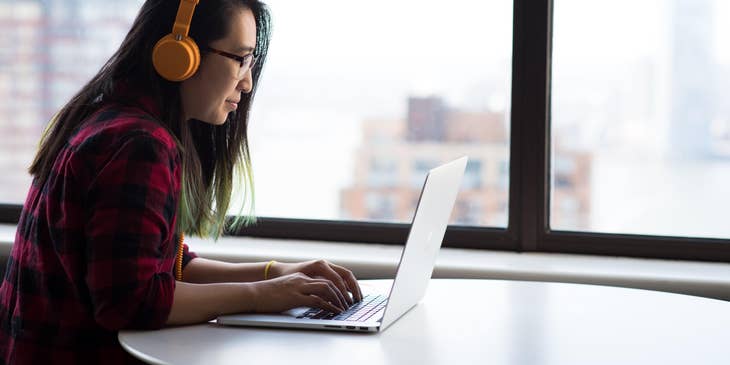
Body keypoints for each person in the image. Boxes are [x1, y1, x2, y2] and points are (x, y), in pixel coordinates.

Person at [0, 0, 362, 363]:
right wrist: (263, 294)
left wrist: (276, 273)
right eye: (240, 59)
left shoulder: (111, 118)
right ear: (179, 54)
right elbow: (131, 302)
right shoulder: (138, 145)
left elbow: (166, 263)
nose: (248, 82)